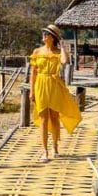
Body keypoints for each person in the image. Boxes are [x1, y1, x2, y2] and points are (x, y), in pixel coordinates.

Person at [29, 23, 82, 162]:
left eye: (46, 34)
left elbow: (64, 61)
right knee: (43, 118)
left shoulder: (58, 53)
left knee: (54, 117)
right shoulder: (37, 52)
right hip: (40, 84)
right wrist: (31, 91)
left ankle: (55, 147)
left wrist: (63, 47)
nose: (44, 36)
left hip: (54, 85)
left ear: (52, 38)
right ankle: (45, 151)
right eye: (43, 33)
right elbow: (33, 73)